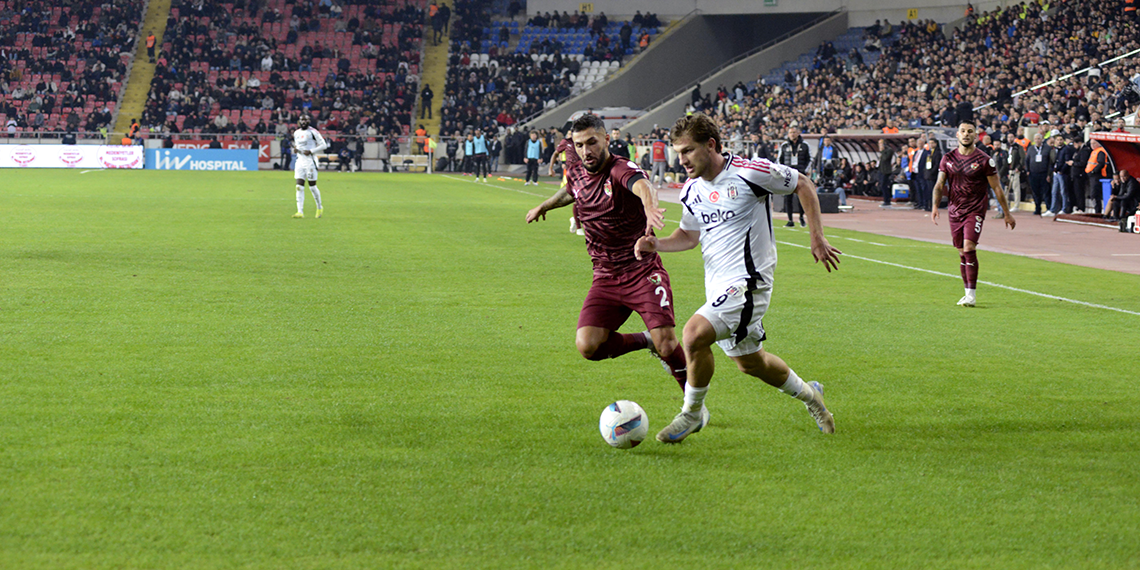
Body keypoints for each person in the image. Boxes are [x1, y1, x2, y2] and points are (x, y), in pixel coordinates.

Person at [634, 113, 840, 443]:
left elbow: (802, 183)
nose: (681, 160)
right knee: (752, 364)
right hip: (718, 286)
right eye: (678, 152)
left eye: (687, 150)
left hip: (749, 283)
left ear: (710, 145)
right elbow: (689, 236)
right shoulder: (691, 190)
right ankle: (811, 396)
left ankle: (692, 413)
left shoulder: (749, 172)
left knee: (693, 334)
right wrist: (655, 244)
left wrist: (816, 237)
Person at [525, 113, 690, 402]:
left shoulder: (619, 168)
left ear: (605, 139)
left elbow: (643, 186)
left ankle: (694, 404)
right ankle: (646, 340)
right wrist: (545, 206)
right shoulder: (577, 171)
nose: (586, 151)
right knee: (588, 346)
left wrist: (650, 207)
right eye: (579, 145)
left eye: (592, 142)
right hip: (604, 275)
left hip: (641, 271)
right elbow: (570, 191)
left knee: (667, 343)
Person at [931, 122, 1016, 307]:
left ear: (976, 136)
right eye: (963, 131)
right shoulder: (948, 158)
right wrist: (935, 206)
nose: (966, 134)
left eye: (970, 131)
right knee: (962, 252)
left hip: (975, 210)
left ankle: (972, 296)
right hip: (955, 210)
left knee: (969, 247)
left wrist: (1007, 213)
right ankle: (966, 293)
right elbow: (939, 184)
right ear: (957, 135)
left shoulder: (984, 160)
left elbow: (997, 188)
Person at [291, 115, 327, 219]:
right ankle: (300, 212)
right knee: (299, 187)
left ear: (309, 121)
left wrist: (311, 151)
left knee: (312, 187)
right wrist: (296, 149)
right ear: (299, 121)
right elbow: (298, 145)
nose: (303, 122)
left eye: (305, 120)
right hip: (300, 161)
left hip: (310, 161)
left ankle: (319, 207)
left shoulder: (313, 132)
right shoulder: (296, 133)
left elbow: (324, 145)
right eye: (302, 120)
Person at [776, 126, 810, 226]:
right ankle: (790, 219)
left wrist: (804, 170)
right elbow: (779, 160)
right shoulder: (784, 145)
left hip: (800, 174)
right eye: (790, 133)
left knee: (801, 197)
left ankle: (801, 217)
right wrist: (783, 172)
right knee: (788, 197)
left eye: (794, 132)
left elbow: (810, 159)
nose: (792, 134)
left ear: (798, 133)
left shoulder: (805, 145)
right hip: (788, 175)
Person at [877, 138, 895, 207]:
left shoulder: (889, 150)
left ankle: (887, 200)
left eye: (881, 143)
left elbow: (885, 158)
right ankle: (885, 199)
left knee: (884, 185)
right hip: (881, 170)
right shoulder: (882, 152)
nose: (879, 145)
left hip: (885, 171)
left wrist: (882, 151)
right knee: (881, 185)